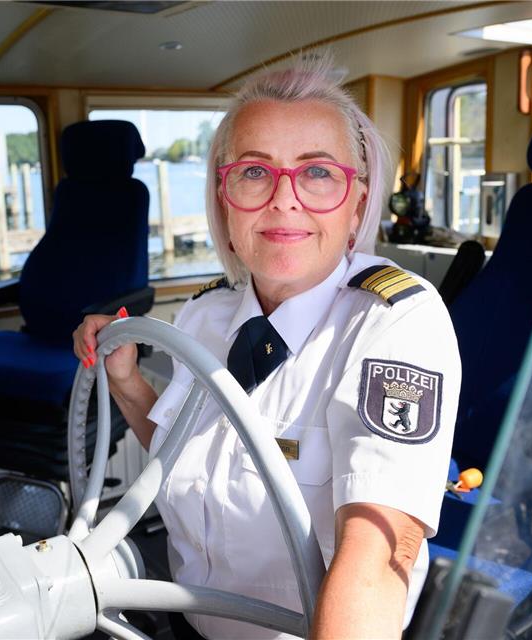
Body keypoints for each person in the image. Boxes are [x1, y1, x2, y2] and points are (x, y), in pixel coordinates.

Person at [73, 53, 460, 640]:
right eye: (255, 172)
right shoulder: (205, 314)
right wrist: (127, 383)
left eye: (318, 172)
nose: (285, 199)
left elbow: (381, 547)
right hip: (190, 623)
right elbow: (183, 460)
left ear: (357, 205)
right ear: (224, 200)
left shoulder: (396, 322)